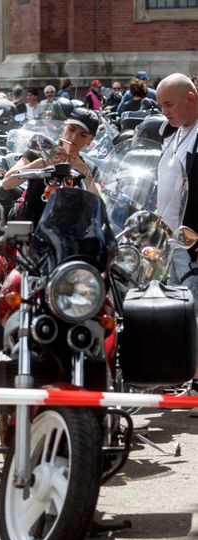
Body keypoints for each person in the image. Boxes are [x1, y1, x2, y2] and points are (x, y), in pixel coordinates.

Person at [154, 73, 198, 414]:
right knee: (182, 311)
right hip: (170, 240)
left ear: (191, 98)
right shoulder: (174, 132)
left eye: (169, 104)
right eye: (161, 106)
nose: (164, 112)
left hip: (191, 241)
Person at [2, 108, 101, 228]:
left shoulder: (89, 167)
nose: (73, 138)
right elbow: (7, 183)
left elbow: (97, 208)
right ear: (64, 127)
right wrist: (43, 162)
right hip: (31, 230)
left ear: (90, 140)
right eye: (71, 129)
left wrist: (83, 171)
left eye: (83, 135)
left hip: (67, 237)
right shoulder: (40, 151)